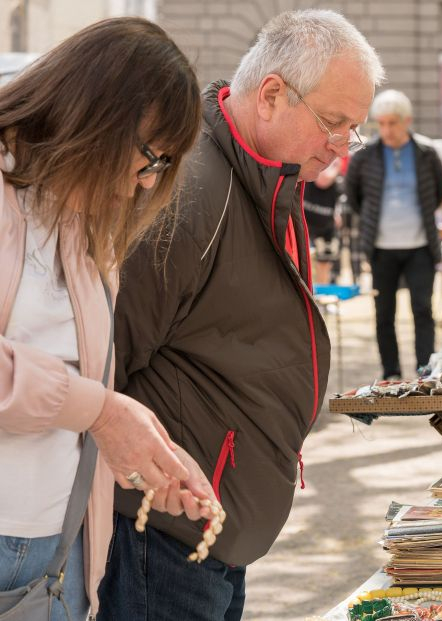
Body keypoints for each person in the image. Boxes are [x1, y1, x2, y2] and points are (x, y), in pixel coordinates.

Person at [97, 10, 384, 620]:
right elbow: (104, 362)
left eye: (352, 130)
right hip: (163, 530)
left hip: (211, 524)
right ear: (272, 95)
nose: (341, 146)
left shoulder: (261, 174)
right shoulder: (190, 190)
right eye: (333, 123)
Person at [0, 17, 208, 621]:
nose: (143, 186)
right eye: (149, 158)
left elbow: (79, 388)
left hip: (61, 553)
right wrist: (103, 412)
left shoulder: (82, 222)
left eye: (161, 167)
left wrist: (142, 457)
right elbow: (84, 400)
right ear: (97, 114)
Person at [345, 89, 442, 380]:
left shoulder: (426, 153)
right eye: (382, 124)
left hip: (420, 246)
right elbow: (354, 195)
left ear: (407, 121)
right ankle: (390, 371)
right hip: (381, 248)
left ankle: (425, 370)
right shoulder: (366, 156)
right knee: (384, 313)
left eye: (393, 123)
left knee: (422, 310)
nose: (387, 130)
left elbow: (438, 192)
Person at [304, 159, 342, 285]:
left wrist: (338, 215)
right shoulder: (307, 180)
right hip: (305, 225)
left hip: (326, 229)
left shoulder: (338, 187)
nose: (324, 180)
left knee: (324, 263)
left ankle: (322, 289)